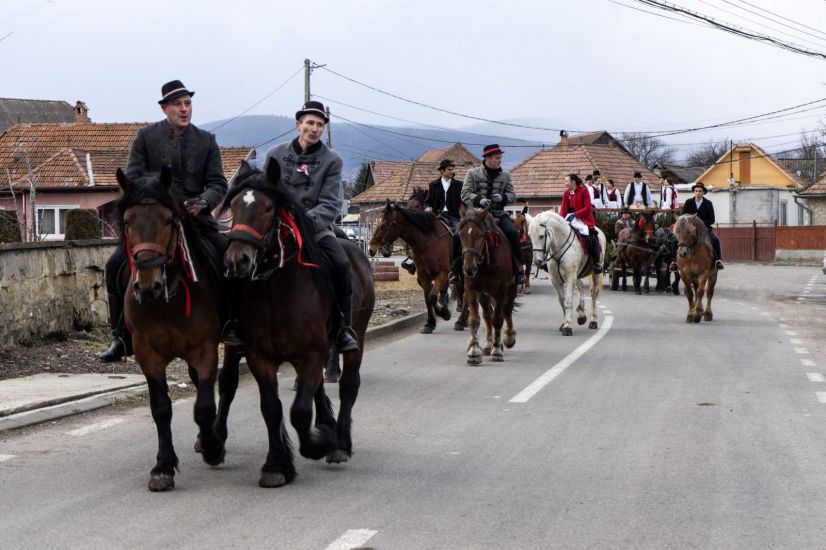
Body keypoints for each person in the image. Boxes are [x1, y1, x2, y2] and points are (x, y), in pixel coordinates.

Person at [97, 80, 230, 362]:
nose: (184, 109)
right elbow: (132, 179)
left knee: (225, 255)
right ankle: (120, 336)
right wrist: (158, 199)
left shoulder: (207, 141)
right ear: (164, 108)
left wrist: (203, 201)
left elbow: (218, 183)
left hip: (196, 221)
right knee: (114, 265)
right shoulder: (145, 137)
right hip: (153, 221)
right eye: (178, 105)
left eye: (188, 104)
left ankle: (232, 323)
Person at [262, 100, 360, 352]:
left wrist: (303, 223)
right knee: (242, 259)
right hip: (274, 227)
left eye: (320, 124)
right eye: (310, 123)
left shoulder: (332, 160)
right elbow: (265, 192)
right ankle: (239, 324)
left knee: (341, 263)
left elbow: (330, 202)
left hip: (315, 229)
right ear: (298, 125)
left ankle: (342, 329)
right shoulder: (275, 154)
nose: (314, 128)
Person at [460, 144, 526, 284]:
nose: (500, 160)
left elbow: (512, 194)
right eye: (497, 158)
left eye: (500, 158)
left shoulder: (505, 175)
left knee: (513, 232)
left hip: (498, 213)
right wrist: (478, 199)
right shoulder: (472, 173)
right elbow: (464, 194)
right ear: (488, 158)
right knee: (457, 235)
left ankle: (519, 268)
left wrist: (503, 198)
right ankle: (455, 270)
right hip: (477, 215)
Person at [424, 159, 464, 285]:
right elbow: (427, 201)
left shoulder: (459, 185)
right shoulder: (433, 185)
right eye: (449, 170)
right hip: (437, 215)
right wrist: (427, 207)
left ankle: (456, 269)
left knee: (459, 235)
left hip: (453, 216)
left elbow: (463, 201)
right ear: (442, 171)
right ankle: (414, 262)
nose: (451, 171)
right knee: (424, 234)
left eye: (452, 169)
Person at [559, 174, 602, 273]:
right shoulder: (566, 193)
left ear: (573, 182)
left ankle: (596, 262)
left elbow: (587, 208)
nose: (565, 183)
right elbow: (563, 209)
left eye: (566, 181)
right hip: (569, 217)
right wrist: (560, 219)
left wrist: (575, 214)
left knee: (591, 235)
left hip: (583, 218)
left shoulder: (583, 190)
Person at [679, 182, 724, 270]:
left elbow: (712, 219)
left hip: (704, 228)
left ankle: (718, 260)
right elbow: (683, 216)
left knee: (715, 239)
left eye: (700, 191)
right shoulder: (688, 202)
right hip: (689, 228)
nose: (698, 193)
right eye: (696, 191)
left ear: (703, 192)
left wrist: (700, 224)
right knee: (677, 239)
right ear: (694, 192)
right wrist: (690, 224)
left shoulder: (708, 203)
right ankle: (674, 262)